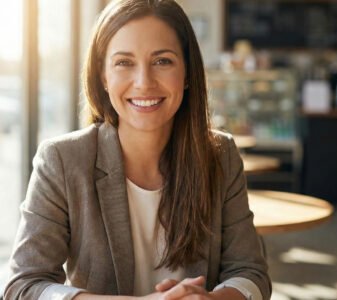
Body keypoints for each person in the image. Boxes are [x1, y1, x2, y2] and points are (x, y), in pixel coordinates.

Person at [2, 0, 271, 299]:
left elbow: (251, 273)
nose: (144, 82)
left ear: (188, 74)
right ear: (103, 77)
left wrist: (211, 299)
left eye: (162, 61)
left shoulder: (220, 154)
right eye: (124, 62)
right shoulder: (62, 160)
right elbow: (23, 287)